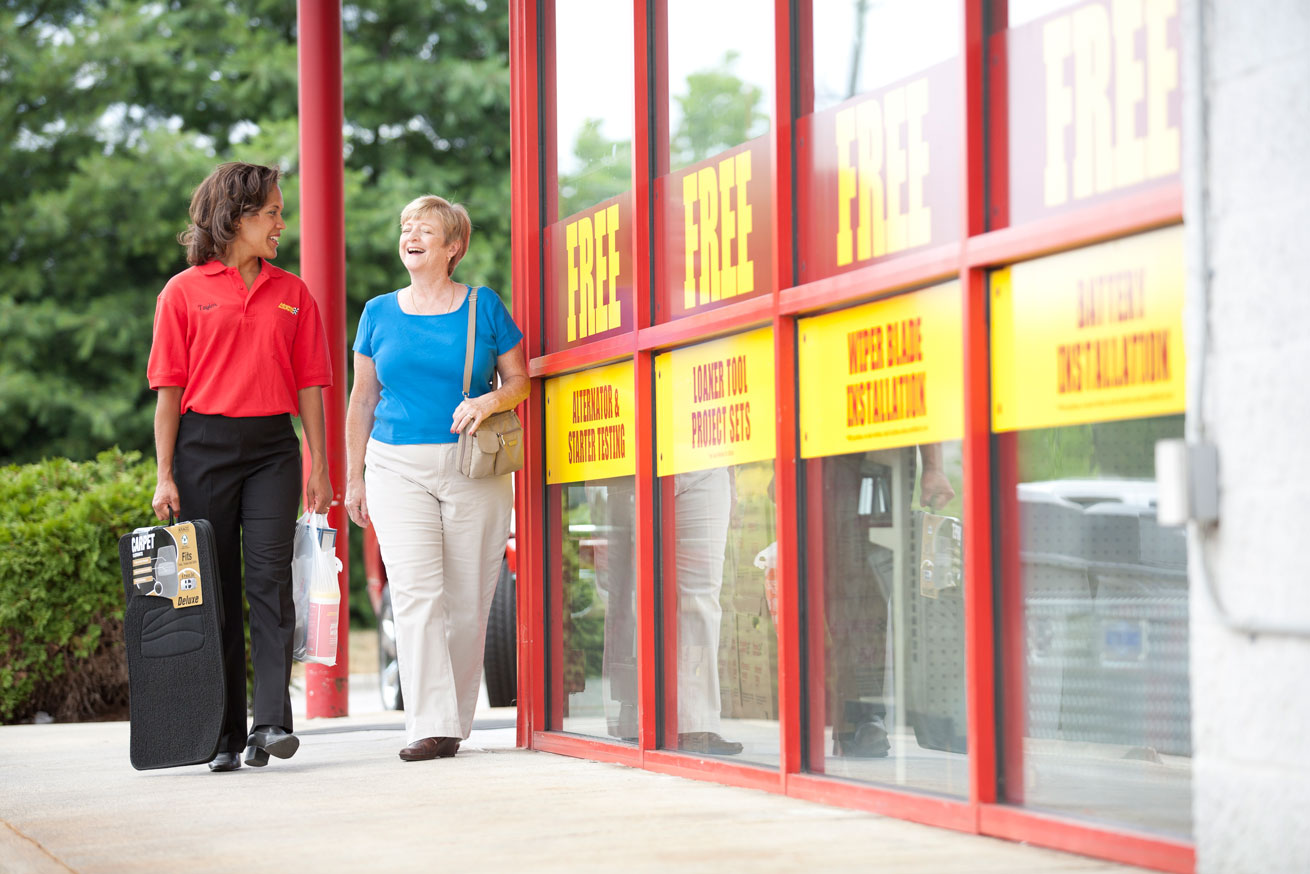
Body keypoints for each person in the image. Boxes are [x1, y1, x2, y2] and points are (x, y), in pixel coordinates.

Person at [148, 162, 333, 773]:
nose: (282, 222)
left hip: (274, 451)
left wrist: (319, 463)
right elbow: (169, 390)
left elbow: (311, 384)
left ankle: (272, 722)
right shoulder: (182, 291)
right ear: (237, 218)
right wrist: (164, 473)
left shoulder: (293, 293)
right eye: (272, 212)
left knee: (270, 584)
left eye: (281, 211)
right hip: (203, 447)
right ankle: (224, 734)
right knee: (216, 592)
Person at [344, 195, 528, 762]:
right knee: (416, 594)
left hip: (473, 464)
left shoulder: (484, 305)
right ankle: (430, 725)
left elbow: (521, 380)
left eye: (425, 228)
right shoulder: (377, 312)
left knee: (469, 600)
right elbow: (363, 398)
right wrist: (353, 480)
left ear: (454, 247)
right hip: (395, 465)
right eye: (405, 227)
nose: (411, 235)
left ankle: (455, 719)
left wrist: (490, 400)